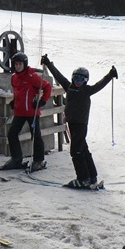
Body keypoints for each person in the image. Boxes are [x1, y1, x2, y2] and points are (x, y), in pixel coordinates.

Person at [41, 54, 117, 189]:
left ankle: (83, 178)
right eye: (76, 78)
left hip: (81, 125)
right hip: (72, 124)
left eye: (81, 79)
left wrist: (110, 75)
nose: (78, 81)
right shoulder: (69, 87)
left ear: (86, 80)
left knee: (76, 151)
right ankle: (92, 176)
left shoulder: (87, 90)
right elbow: (58, 76)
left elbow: (99, 85)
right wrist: (48, 63)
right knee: (83, 149)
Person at [0, 52, 52, 172]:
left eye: (20, 64)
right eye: (16, 64)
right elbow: (19, 92)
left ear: (24, 64)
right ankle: (16, 159)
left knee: (35, 135)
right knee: (12, 134)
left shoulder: (32, 77)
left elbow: (47, 86)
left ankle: (38, 160)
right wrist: (14, 101)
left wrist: (43, 101)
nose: (18, 66)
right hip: (19, 111)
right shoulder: (14, 77)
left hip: (32, 112)